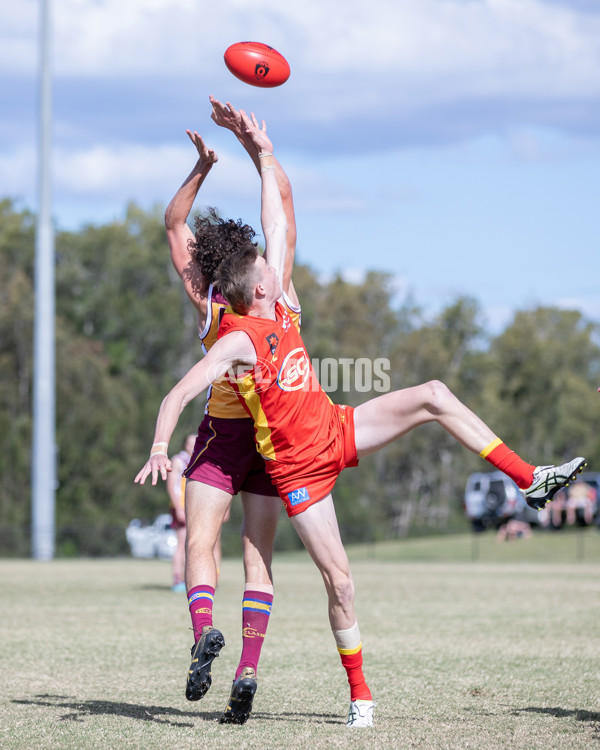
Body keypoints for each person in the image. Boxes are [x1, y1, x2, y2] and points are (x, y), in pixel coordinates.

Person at [136, 111, 586, 729]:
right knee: (339, 581)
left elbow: (278, 215)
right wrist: (163, 443)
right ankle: (358, 695)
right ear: (258, 289)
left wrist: (259, 149)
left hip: (336, 429)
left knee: (433, 393)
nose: (275, 260)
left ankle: (528, 479)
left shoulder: (282, 303)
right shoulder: (232, 334)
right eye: (267, 265)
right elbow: (181, 387)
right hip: (294, 467)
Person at [161, 96, 299, 724]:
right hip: (272, 438)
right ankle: (246, 666)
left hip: (220, 437)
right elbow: (283, 213)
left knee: (201, 543)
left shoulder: (213, 305)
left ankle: (201, 634)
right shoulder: (278, 301)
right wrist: (257, 149)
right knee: (257, 558)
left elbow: (173, 225)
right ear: (260, 275)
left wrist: (203, 167)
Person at [166, 434, 196, 592]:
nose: (193, 445)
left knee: (191, 544)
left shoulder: (197, 459)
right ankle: (178, 579)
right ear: (185, 444)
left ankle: (188, 578)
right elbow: (171, 486)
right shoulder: (178, 460)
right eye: (190, 442)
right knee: (182, 543)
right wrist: (178, 508)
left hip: (193, 506)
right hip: (182, 506)